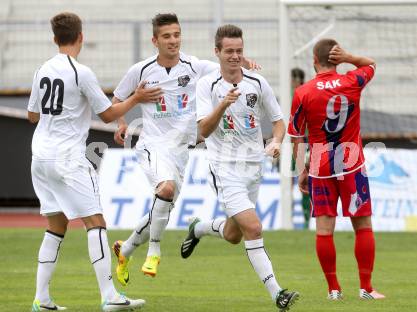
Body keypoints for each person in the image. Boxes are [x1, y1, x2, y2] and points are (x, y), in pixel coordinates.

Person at [111, 13, 258, 285]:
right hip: (153, 145)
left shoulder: (194, 66)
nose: (173, 40)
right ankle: (155, 250)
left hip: (182, 151)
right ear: (155, 40)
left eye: (176, 35)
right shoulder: (141, 70)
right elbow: (117, 97)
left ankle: (126, 249)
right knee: (165, 190)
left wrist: (242, 63)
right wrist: (122, 123)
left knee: (161, 209)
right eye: (166, 36)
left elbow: (225, 66)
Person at [28, 12, 152, 311]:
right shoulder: (80, 72)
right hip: (67, 157)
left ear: (55, 38)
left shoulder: (42, 70)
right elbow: (108, 114)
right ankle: (110, 296)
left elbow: (33, 115)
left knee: (56, 225)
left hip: (40, 157)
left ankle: (41, 300)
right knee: (96, 222)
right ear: (81, 37)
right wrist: (136, 98)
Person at [180, 24, 299, 311]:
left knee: (234, 235)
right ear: (217, 52)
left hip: (253, 168)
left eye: (239, 51)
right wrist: (222, 105)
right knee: (254, 228)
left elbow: (279, 121)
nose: (235, 56)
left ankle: (199, 229)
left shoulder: (257, 83)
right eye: (229, 51)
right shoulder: (206, 86)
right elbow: (203, 131)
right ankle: (277, 293)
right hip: (224, 168)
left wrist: (276, 143)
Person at [288, 38, 385, 300]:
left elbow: (297, 135)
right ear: (336, 59)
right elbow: (372, 64)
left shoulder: (303, 92)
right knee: (363, 225)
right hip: (352, 163)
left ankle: (334, 290)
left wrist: (300, 170)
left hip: (321, 166)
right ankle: (366, 288)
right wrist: (349, 57)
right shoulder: (353, 81)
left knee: (324, 229)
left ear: (314, 61)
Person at [290, 68, 311, 229]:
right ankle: (288, 219)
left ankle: (306, 221)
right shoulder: (287, 96)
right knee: (289, 183)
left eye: (292, 79)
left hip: (303, 145)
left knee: (305, 183)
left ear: (297, 80)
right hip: (289, 147)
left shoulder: (304, 95)